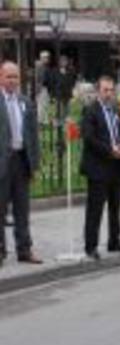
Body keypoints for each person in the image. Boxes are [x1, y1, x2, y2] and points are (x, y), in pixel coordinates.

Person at [80, 76, 120, 260]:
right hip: (98, 167)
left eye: (111, 90)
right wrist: (110, 150)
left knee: (115, 208)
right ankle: (91, 246)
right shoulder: (90, 110)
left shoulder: (116, 110)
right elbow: (89, 138)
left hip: (115, 166)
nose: (109, 94)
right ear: (98, 91)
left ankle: (114, 242)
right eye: (105, 90)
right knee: (95, 209)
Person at [0, 61, 42, 267]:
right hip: (2, 162)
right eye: (8, 76)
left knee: (22, 210)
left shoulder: (25, 102)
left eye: (15, 77)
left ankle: (24, 249)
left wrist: (34, 165)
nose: (13, 81)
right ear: (1, 78)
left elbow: (33, 136)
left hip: (21, 161)